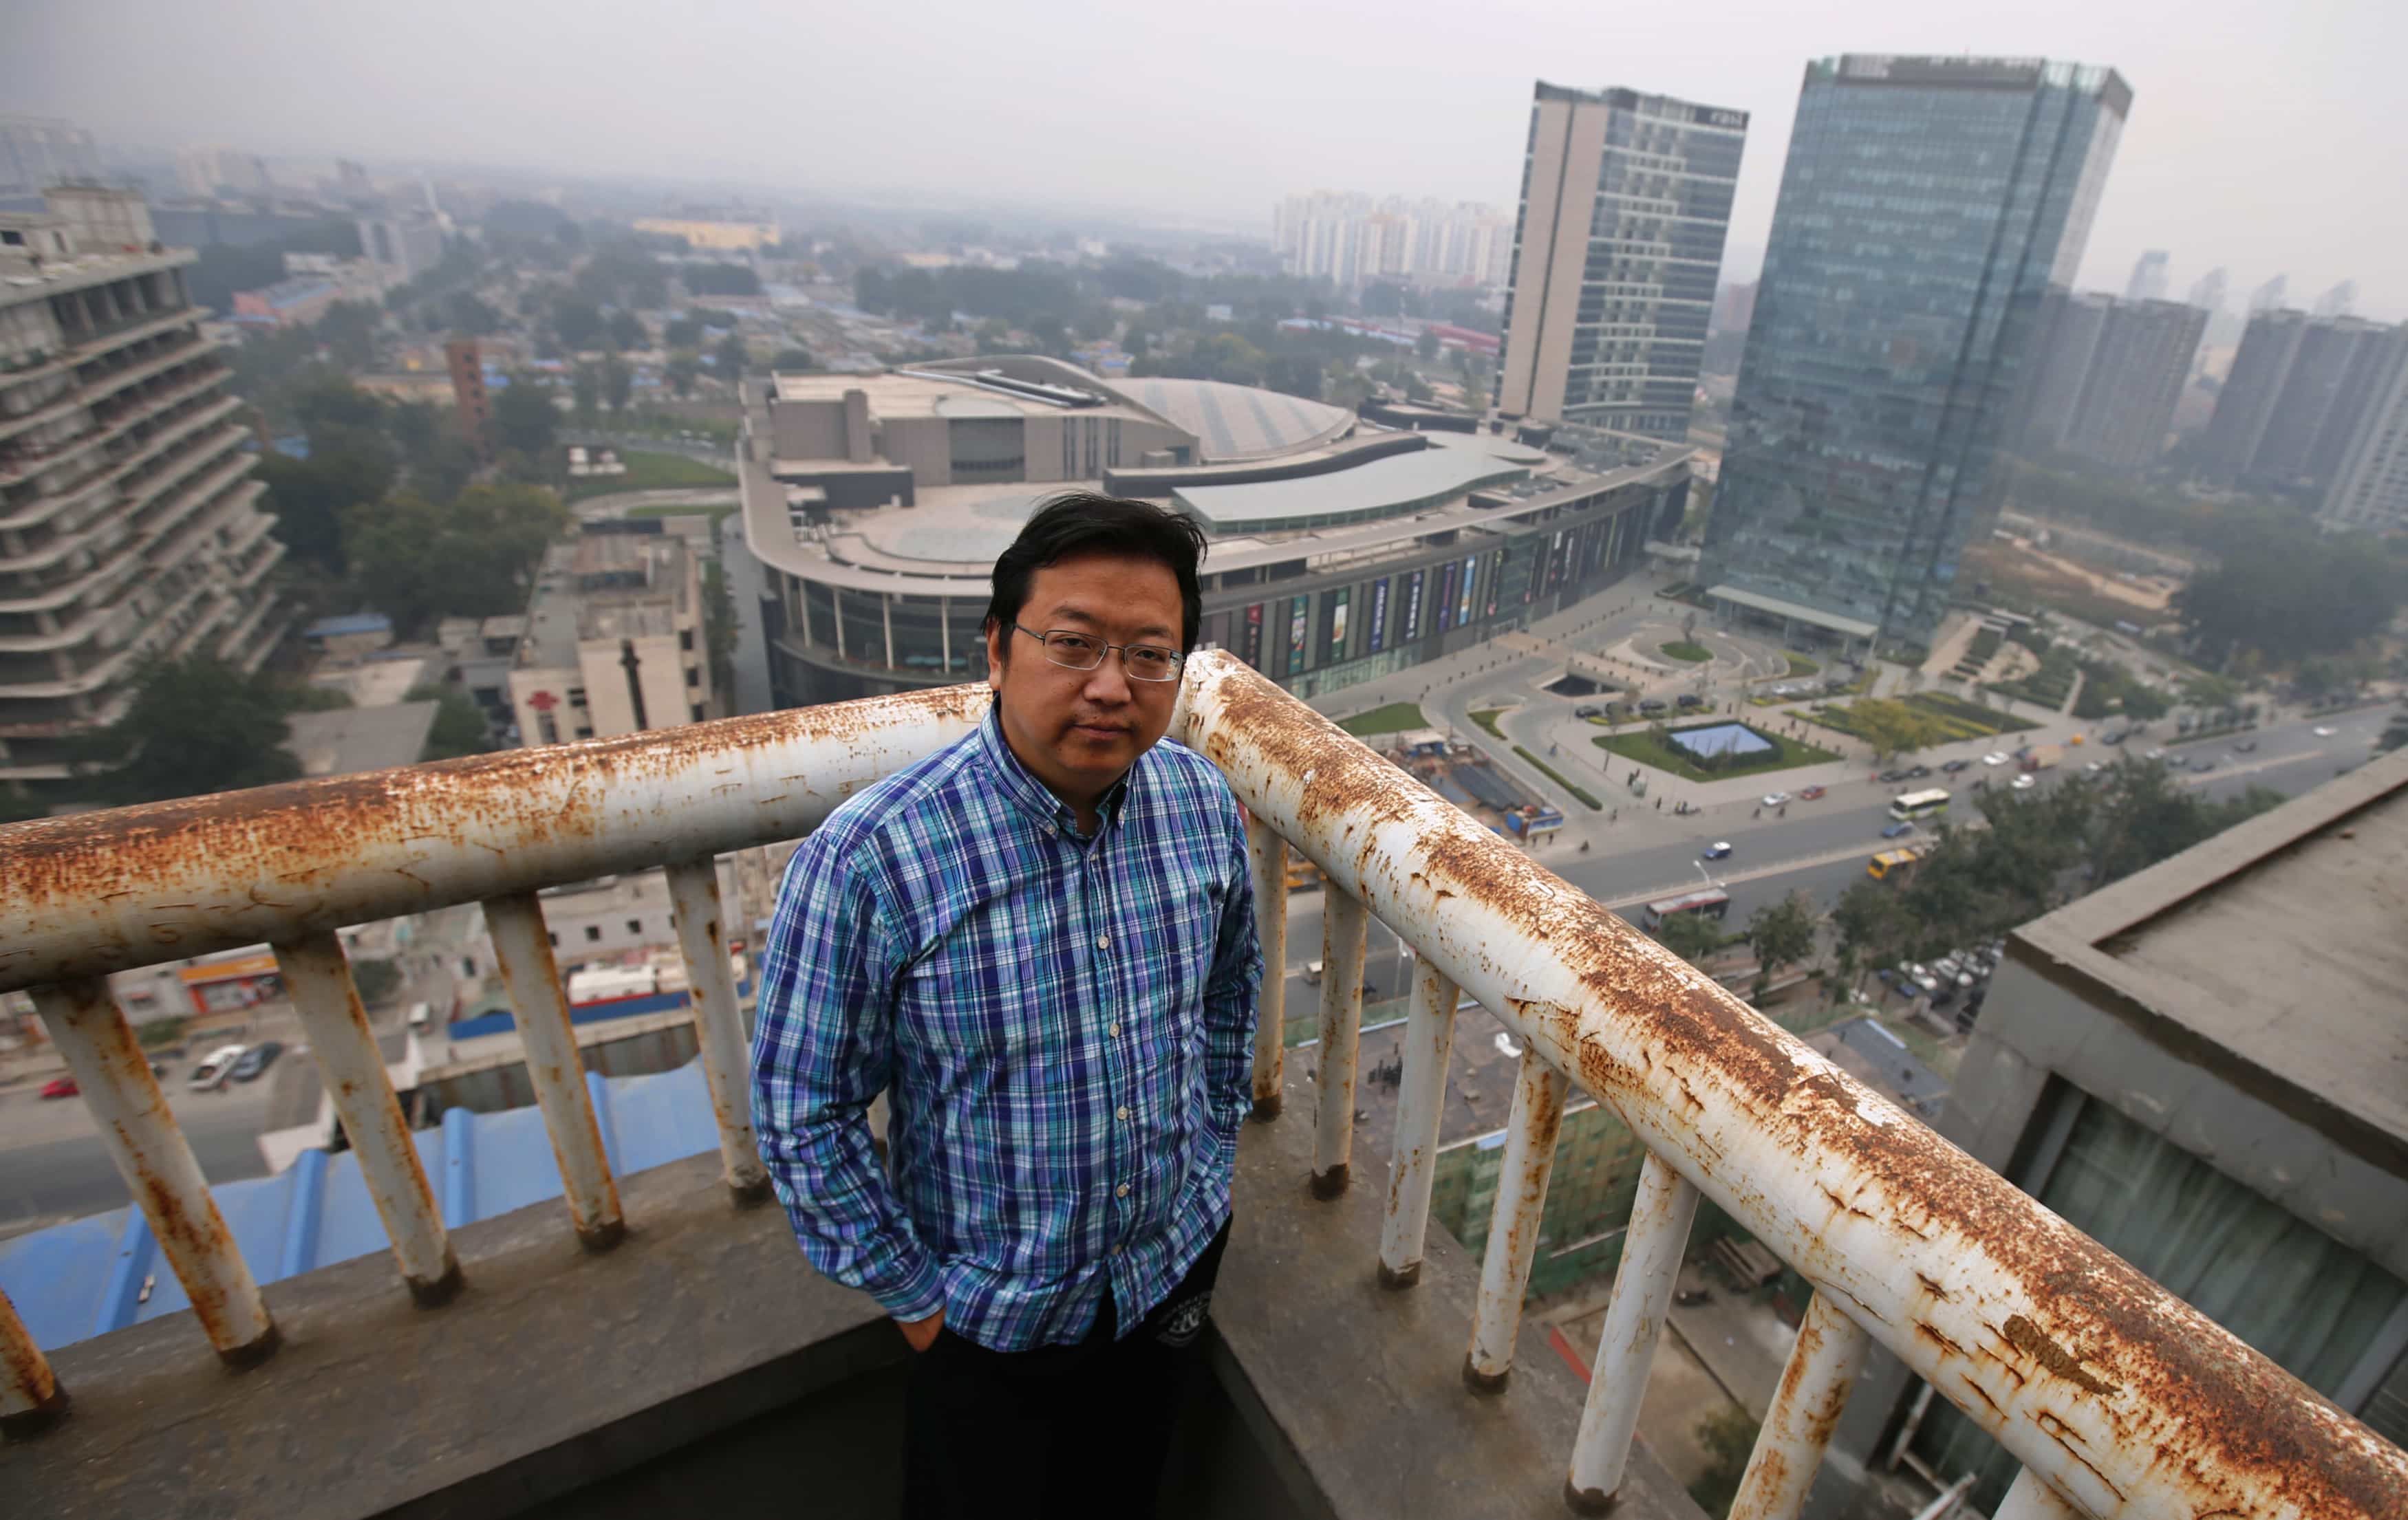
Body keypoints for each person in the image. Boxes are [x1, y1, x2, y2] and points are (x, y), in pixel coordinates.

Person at [751, 492, 1262, 1519]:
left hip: (1169, 1268)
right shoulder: (873, 859)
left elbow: (1227, 994)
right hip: (992, 1321)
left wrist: (1208, 1155)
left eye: (1151, 654)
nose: (1112, 685)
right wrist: (920, 1302)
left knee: (1132, 1490)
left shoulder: (1200, 803)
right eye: (1074, 643)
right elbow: (801, 1111)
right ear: (997, 647)